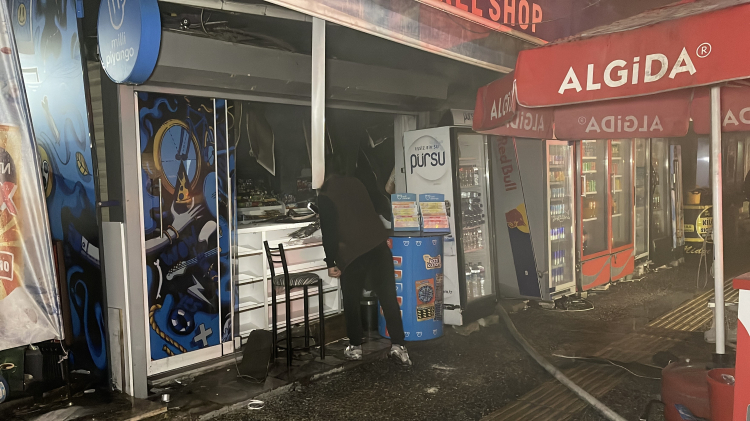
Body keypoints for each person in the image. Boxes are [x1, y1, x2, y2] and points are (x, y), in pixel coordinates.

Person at [317, 161, 412, 366]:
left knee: (351, 301)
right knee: (388, 297)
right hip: (378, 245)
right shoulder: (357, 182)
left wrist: (330, 261)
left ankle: (355, 348)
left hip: (353, 253)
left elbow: (329, 232)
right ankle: (399, 346)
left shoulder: (325, 195)